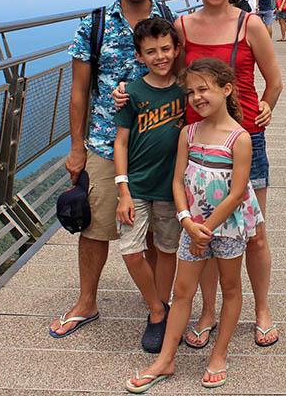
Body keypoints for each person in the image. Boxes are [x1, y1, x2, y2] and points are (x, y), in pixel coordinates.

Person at [50, 0, 168, 339]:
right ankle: (87, 302)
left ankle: (159, 302)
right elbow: (78, 92)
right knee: (96, 227)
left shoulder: (170, 21)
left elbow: (180, 77)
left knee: (156, 230)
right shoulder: (94, 25)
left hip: (159, 144)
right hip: (104, 144)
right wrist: (76, 147)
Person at [125, 58, 264, 393]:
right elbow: (177, 181)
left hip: (226, 228)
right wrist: (187, 221)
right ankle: (166, 360)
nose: (197, 97)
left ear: (226, 89)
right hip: (192, 226)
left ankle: (219, 355)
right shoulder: (188, 133)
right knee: (182, 291)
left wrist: (207, 230)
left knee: (231, 287)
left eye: (204, 89)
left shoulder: (239, 138)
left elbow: (237, 192)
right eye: (190, 92)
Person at [178, 0, 282, 350]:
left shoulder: (250, 25)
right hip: (198, 143)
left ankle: (261, 310)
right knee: (203, 232)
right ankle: (208, 311)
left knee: (254, 233)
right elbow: (165, 71)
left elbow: (274, 80)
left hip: (245, 140)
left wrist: (267, 107)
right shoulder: (182, 26)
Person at [113, 18, 184, 353]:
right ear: (139, 56)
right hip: (137, 187)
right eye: (151, 51)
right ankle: (156, 308)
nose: (160, 56)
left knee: (168, 249)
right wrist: (122, 190)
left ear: (176, 49)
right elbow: (122, 142)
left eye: (166, 49)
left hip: (172, 188)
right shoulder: (132, 92)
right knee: (131, 250)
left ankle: (163, 307)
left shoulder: (186, 90)